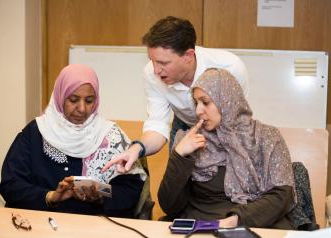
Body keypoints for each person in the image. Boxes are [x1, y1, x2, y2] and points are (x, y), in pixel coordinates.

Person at [103, 16, 249, 173]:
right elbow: (157, 126)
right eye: (152, 61)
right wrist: (135, 149)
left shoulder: (230, 68)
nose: (156, 70)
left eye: (163, 63)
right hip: (183, 125)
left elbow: (235, 120)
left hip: (223, 127)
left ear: (188, 56)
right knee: (178, 183)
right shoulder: (151, 73)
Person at [0, 64, 146, 217]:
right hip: (41, 224)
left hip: (94, 227)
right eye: (73, 100)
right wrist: (50, 197)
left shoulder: (110, 136)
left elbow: (131, 192)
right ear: (60, 97)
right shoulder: (36, 133)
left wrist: (101, 194)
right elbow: (11, 185)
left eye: (89, 101)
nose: (82, 108)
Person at [158, 68, 296, 229]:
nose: (198, 110)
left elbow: (281, 196)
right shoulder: (189, 140)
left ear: (227, 100)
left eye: (206, 102)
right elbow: (169, 206)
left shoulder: (267, 137)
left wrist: (235, 220)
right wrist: (179, 155)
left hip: (258, 224)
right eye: (196, 103)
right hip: (203, 225)